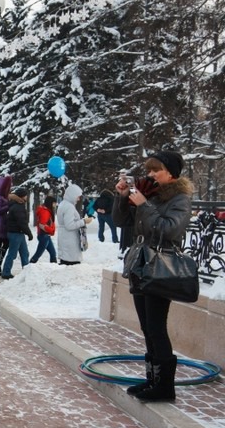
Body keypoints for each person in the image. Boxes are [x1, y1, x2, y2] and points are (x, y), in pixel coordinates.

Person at [112, 151, 192, 402]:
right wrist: (123, 197)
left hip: (161, 267)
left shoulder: (180, 198)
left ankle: (165, 387)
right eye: (149, 170)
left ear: (171, 173)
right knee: (147, 326)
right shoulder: (151, 194)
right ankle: (152, 380)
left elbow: (169, 229)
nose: (150, 174)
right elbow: (120, 220)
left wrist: (144, 205)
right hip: (142, 266)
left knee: (157, 326)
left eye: (156, 170)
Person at [56, 184, 93, 265]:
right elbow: (69, 225)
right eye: (78, 196)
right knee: (71, 265)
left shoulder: (63, 204)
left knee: (65, 262)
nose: (79, 199)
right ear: (72, 195)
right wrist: (84, 221)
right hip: (70, 241)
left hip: (65, 238)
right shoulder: (69, 207)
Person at [1, 186, 33, 279]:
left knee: (25, 253)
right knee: (12, 253)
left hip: (18, 233)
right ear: (22, 197)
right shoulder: (18, 207)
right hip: (15, 233)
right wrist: (29, 233)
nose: (27, 197)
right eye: (26, 196)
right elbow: (21, 222)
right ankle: (6, 272)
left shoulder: (18, 205)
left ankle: (26, 271)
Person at [30, 196, 58, 264]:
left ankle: (54, 267)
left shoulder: (48, 211)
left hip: (46, 235)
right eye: (54, 203)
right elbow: (42, 225)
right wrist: (51, 230)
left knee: (53, 253)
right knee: (38, 254)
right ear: (50, 203)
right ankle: (29, 266)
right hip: (43, 236)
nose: (55, 205)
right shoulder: (45, 212)